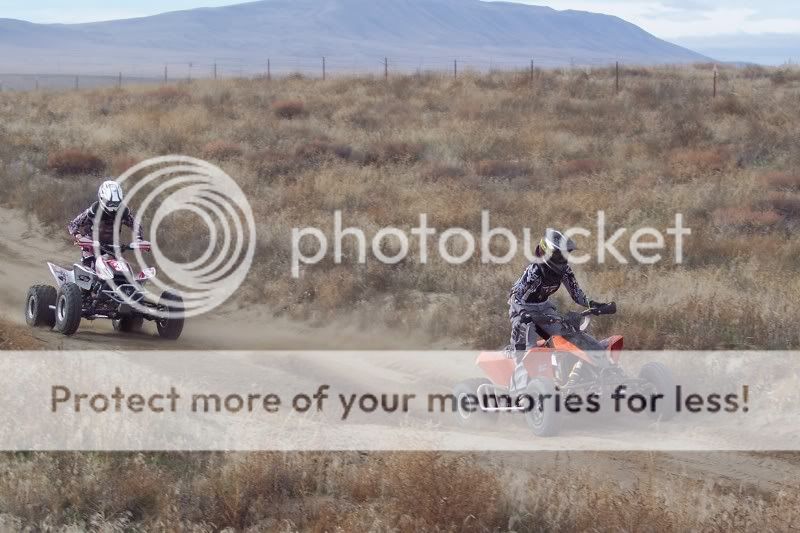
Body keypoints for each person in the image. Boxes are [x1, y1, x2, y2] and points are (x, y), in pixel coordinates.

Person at [507, 228, 609, 390]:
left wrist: (593, 304)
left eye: (565, 254)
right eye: (559, 254)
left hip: (544, 307)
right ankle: (519, 391)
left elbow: (576, 294)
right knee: (527, 350)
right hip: (522, 309)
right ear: (548, 252)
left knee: (565, 338)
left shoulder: (564, 270)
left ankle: (567, 377)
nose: (563, 258)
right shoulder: (534, 271)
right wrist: (523, 314)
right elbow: (515, 297)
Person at [67, 180, 144, 268]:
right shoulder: (94, 210)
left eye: (116, 203)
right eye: (110, 202)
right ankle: (84, 277)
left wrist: (139, 240)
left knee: (123, 268)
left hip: (113, 247)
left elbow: (136, 226)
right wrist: (79, 236)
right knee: (90, 265)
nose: (113, 206)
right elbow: (73, 224)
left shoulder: (123, 212)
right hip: (91, 245)